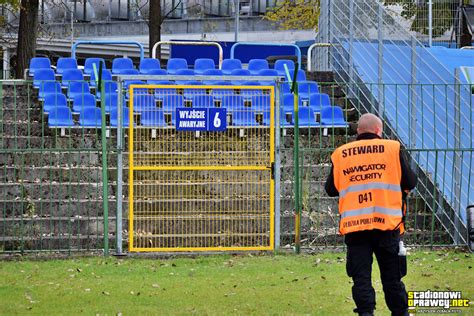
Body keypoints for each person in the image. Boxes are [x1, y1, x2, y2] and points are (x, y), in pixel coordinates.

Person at [325, 113, 417, 316]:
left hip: (356, 227)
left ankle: (366, 313)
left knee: (361, 278)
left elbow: (331, 189)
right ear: (379, 131)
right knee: (392, 277)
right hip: (387, 226)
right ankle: (400, 312)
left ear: (358, 131)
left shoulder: (341, 153)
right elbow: (410, 182)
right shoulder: (392, 149)